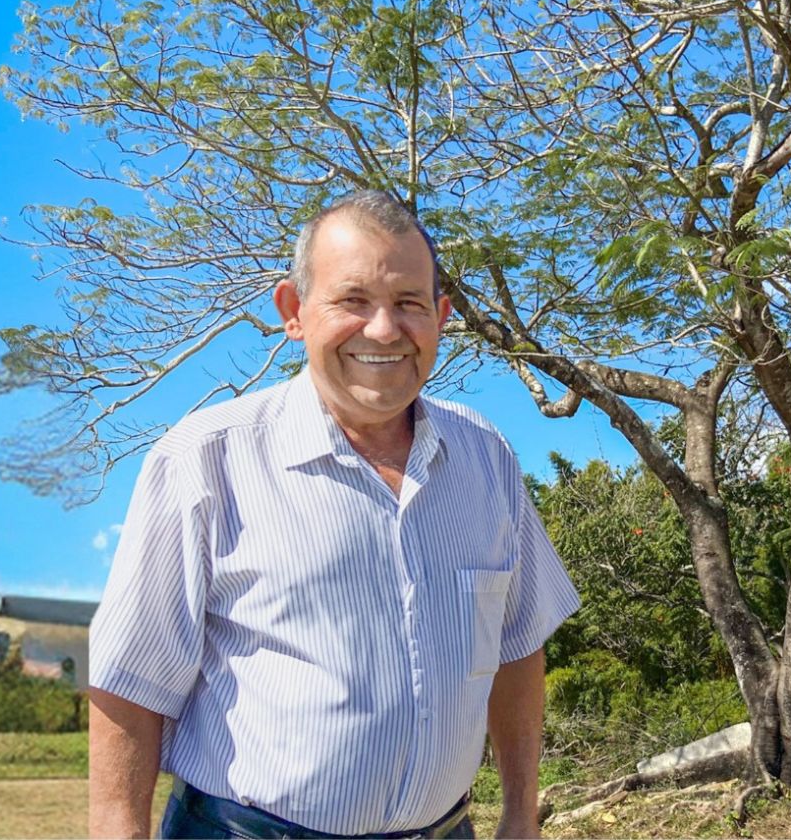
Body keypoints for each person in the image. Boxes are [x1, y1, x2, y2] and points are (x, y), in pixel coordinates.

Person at [88, 191, 579, 840]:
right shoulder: (205, 460)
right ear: (294, 312)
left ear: (440, 317)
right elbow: (130, 684)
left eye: (409, 303)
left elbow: (517, 645)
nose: (384, 330)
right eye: (353, 300)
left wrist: (520, 814)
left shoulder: (486, 458)